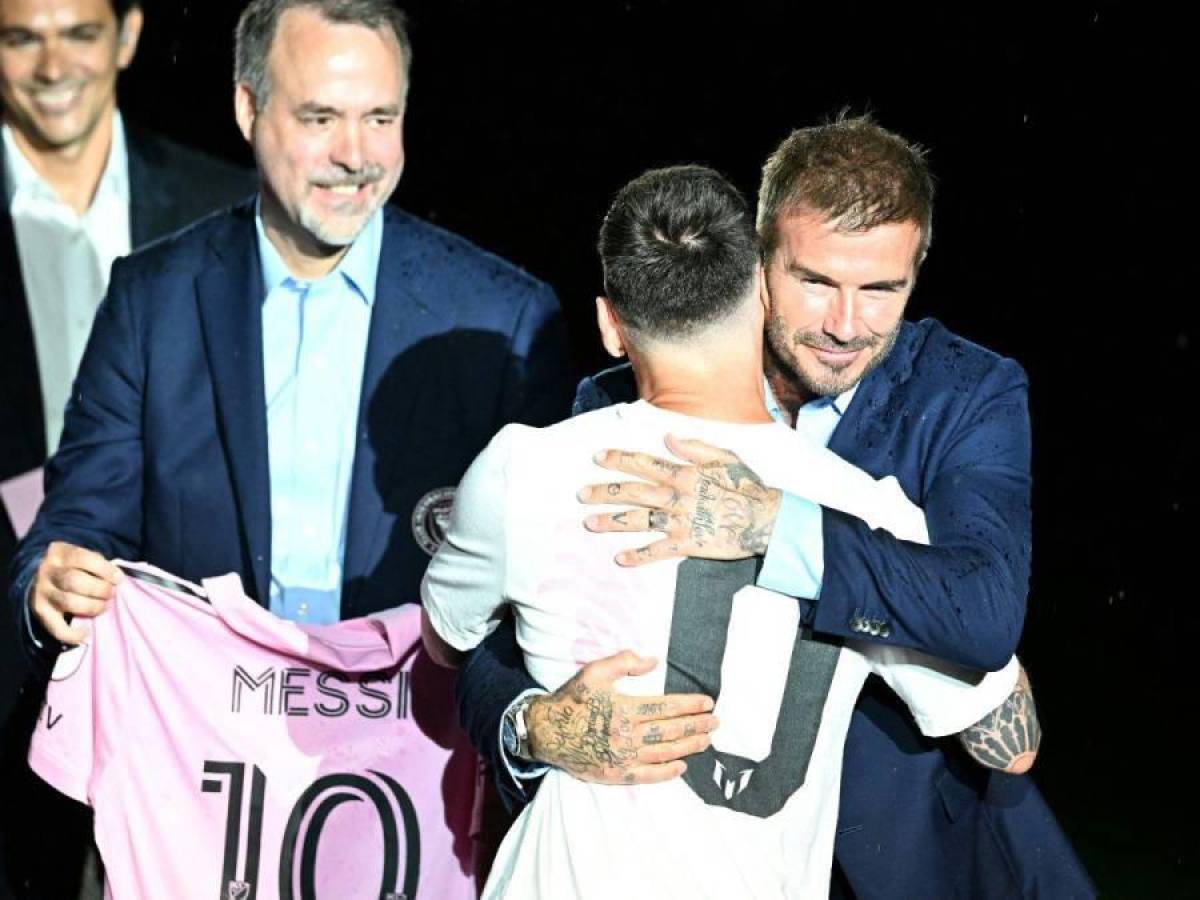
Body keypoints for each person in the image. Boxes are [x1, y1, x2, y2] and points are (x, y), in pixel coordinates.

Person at [7, 0, 567, 890]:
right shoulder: (152, 300)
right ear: (247, 110)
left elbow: (539, 603)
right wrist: (50, 578)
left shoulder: (503, 321)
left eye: (381, 117)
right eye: (320, 118)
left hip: (413, 803)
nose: (358, 153)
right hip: (200, 798)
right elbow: (76, 521)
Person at [457, 116, 1094, 897]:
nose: (845, 324)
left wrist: (776, 526)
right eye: (817, 281)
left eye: (881, 289)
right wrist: (531, 725)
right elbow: (492, 637)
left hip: (915, 852)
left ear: (917, 276)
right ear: (758, 266)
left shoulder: (966, 393)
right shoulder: (622, 404)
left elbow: (985, 608)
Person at [0, 0, 253, 894]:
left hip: (179, 640)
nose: (51, 64)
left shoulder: (222, 203)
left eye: (78, 32)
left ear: (130, 35)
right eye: (21, 36)